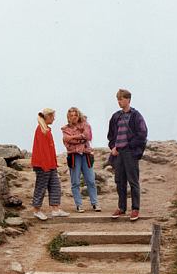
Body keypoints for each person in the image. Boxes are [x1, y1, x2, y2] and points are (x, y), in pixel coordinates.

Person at [107, 89, 148, 221]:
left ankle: (135, 209)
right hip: (118, 154)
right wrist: (113, 147)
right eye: (118, 99)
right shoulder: (115, 116)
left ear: (128, 100)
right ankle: (121, 208)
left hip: (130, 153)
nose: (119, 102)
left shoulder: (136, 115)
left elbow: (142, 134)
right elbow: (111, 135)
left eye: (121, 99)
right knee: (119, 181)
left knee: (133, 181)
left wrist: (129, 146)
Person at [31, 108, 70, 220]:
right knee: (41, 187)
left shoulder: (47, 129)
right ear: (47, 116)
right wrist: (45, 165)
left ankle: (55, 209)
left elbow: (50, 149)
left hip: (50, 164)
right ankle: (36, 210)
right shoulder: (41, 130)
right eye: (52, 116)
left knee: (55, 186)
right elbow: (42, 150)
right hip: (43, 164)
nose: (54, 118)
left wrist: (53, 163)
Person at [61, 107, 101, 213]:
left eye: (75, 115)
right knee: (75, 182)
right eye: (71, 116)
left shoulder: (85, 125)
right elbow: (67, 142)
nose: (73, 117)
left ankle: (95, 203)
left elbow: (87, 136)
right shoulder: (65, 129)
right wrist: (81, 138)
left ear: (78, 115)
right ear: (68, 117)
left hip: (86, 155)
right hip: (74, 156)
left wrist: (73, 138)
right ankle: (79, 205)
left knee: (91, 180)